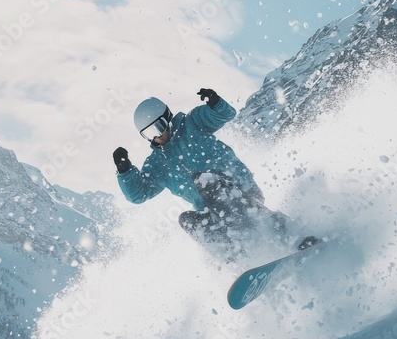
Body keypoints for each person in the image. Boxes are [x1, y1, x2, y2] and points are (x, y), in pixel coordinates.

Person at [113, 88, 291, 254]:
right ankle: (236, 257)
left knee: (205, 181)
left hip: (240, 190)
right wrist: (125, 170)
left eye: (157, 128)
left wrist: (215, 103)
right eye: (148, 134)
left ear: (167, 118)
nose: (156, 137)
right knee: (187, 220)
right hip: (215, 213)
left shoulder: (192, 124)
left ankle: (290, 235)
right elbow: (138, 195)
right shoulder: (158, 164)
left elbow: (226, 114)